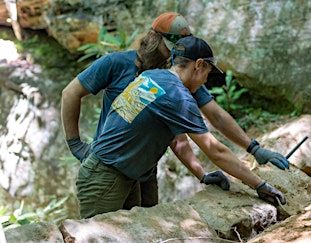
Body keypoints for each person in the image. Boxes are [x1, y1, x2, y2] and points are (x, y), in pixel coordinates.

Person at [61, 12, 289, 210]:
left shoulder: (153, 79)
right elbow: (215, 149)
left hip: (126, 173)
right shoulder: (172, 91)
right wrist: (259, 184)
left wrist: (210, 169)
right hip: (109, 173)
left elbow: (179, 137)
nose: (205, 82)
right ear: (198, 64)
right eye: (207, 74)